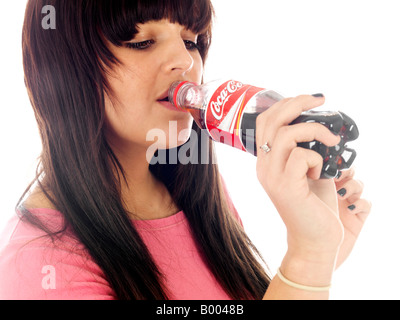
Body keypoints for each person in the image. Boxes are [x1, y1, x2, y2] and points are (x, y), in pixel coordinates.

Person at [0, 0, 371, 300]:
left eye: (191, 39)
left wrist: (321, 256)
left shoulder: (194, 192)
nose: (186, 62)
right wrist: (309, 255)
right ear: (63, 68)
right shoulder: (41, 267)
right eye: (142, 41)